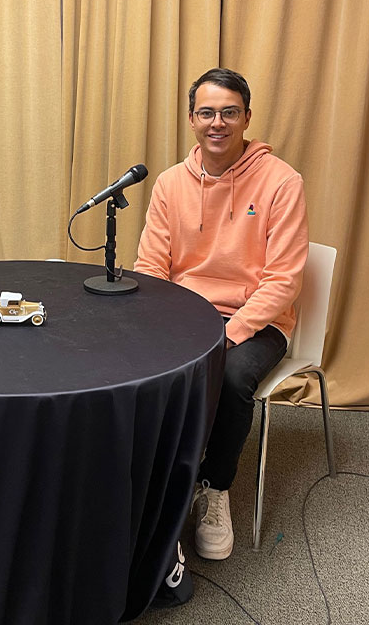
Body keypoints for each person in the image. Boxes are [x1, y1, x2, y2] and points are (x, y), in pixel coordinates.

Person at [134, 68, 308, 560]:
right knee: (133, 361)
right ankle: (157, 476)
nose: (218, 122)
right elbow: (151, 265)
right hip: (185, 314)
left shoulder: (282, 182)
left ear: (247, 118)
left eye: (229, 112)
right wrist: (159, 323)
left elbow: (283, 279)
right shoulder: (170, 183)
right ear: (192, 119)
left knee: (230, 377)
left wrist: (231, 332)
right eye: (207, 112)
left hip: (258, 321)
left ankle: (215, 484)